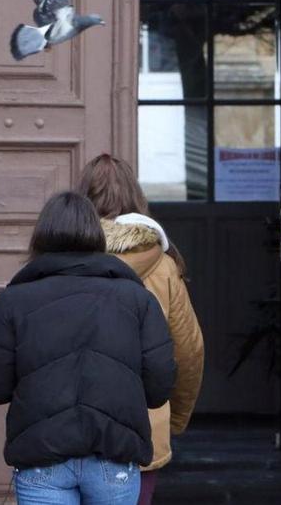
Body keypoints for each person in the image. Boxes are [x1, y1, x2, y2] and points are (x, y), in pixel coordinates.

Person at [0, 191, 177, 505]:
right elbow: (159, 386)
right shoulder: (137, 299)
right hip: (114, 455)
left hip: (41, 457)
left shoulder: (13, 301)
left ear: (41, 237)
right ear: (96, 235)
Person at [76, 154, 204, 505]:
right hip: (139, 428)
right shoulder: (162, 267)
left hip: (64, 427)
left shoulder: (59, 260)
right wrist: (173, 419)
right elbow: (187, 352)